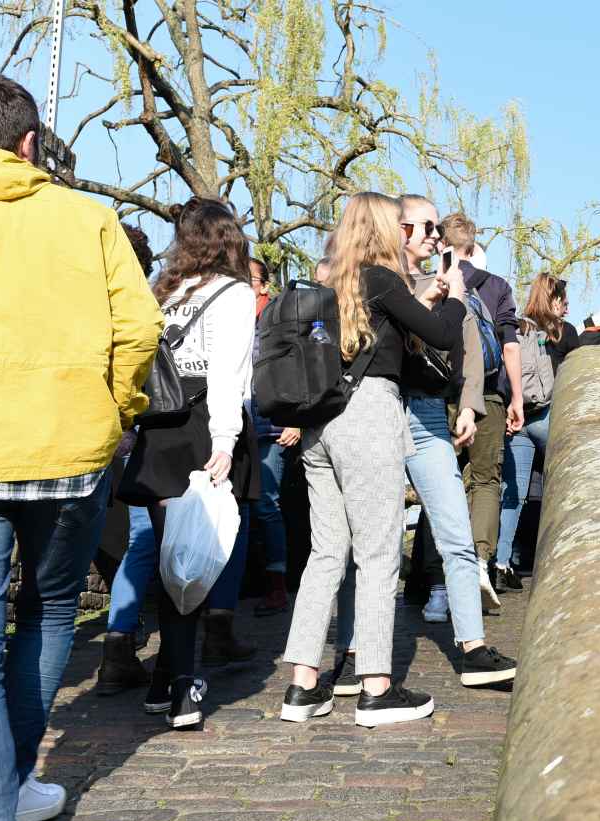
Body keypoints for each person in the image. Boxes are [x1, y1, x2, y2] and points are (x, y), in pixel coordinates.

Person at [0, 72, 162, 821]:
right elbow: (140, 327)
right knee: (51, 611)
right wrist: (115, 411)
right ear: (28, 143)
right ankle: (12, 790)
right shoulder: (89, 218)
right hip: (69, 451)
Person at [279, 192, 456, 728]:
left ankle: (302, 687)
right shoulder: (381, 280)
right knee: (379, 554)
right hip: (367, 419)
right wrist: (447, 294)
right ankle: (377, 688)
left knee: (326, 554)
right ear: (383, 229)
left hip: (319, 425)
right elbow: (444, 336)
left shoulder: (328, 283)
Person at [115, 196, 260, 731]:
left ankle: (161, 682)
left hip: (160, 429)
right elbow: (228, 371)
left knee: (169, 556)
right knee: (193, 561)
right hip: (203, 427)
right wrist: (225, 439)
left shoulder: (166, 292)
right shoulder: (236, 293)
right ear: (229, 237)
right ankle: (182, 689)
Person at [380, 197, 513, 688]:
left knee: (456, 531)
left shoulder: (458, 287)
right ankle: (355, 654)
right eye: (428, 226)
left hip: (431, 412)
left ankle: (473, 648)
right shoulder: (382, 281)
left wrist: (471, 405)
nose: (436, 236)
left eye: (437, 228)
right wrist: (434, 299)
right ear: (400, 228)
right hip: (383, 410)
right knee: (370, 539)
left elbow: (470, 346)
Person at [442, 215, 524, 593]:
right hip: (488, 393)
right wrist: (517, 397)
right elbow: (509, 344)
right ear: (474, 248)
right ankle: (479, 560)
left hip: (439, 394)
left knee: (440, 480)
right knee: (487, 480)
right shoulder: (496, 286)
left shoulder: (431, 282)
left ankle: (437, 582)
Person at [95, 225, 161, 695]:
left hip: (89, 435)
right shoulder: (139, 304)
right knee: (148, 536)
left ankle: (119, 639)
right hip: (134, 432)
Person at [495, 274, 577, 586]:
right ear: (553, 300)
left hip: (519, 417)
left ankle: (500, 563)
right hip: (548, 417)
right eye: (563, 302)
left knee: (512, 494)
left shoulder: (519, 328)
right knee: (568, 483)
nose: (567, 309)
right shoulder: (564, 332)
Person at [248, 256, 300, 619]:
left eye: (248, 278)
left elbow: (298, 369)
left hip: (271, 427)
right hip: (236, 429)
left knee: (267, 505)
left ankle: (276, 583)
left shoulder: (280, 320)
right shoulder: (230, 318)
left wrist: (297, 421)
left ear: (264, 285)